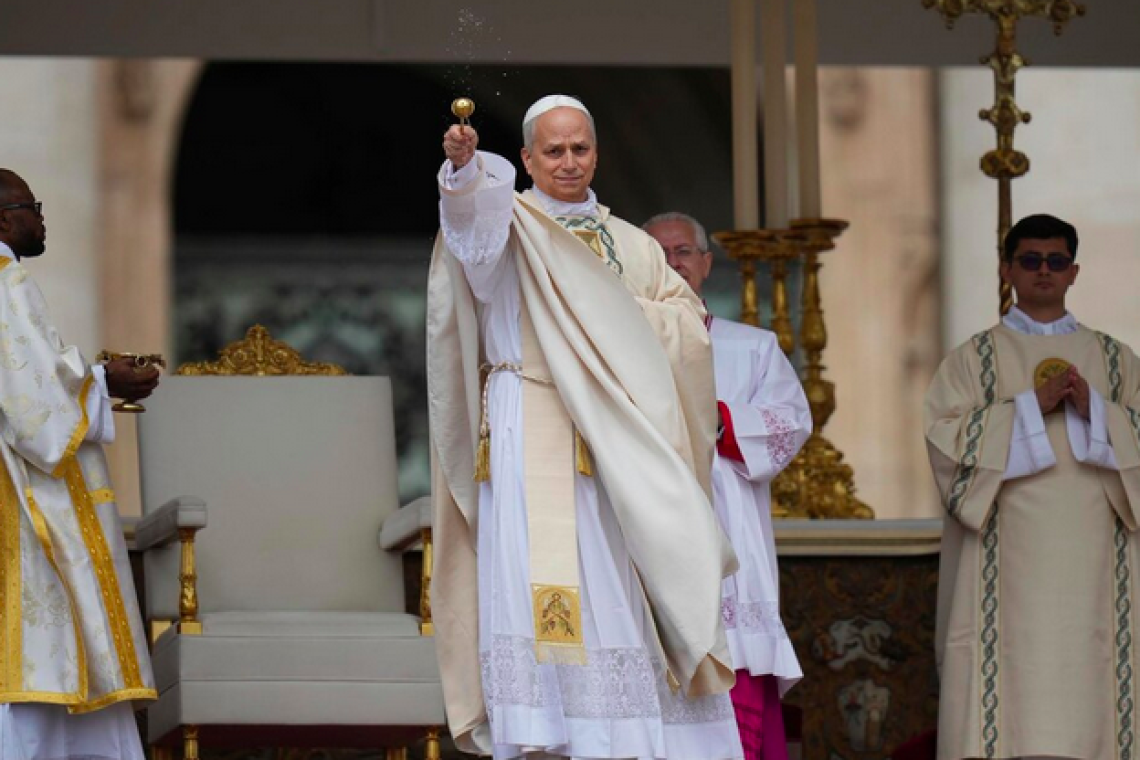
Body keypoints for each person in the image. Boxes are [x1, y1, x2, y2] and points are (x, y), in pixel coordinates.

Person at [428, 95, 742, 759]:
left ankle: (618, 735)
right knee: (539, 572)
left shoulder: (632, 244)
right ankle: (545, 733)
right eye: (553, 151)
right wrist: (460, 172)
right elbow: (468, 232)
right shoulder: (507, 222)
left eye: (579, 149)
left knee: (615, 571)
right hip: (531, 415)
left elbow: (689, 329)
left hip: (615, 434)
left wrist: (619, 319)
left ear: (596, 154)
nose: (568, 162)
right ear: (525, 159)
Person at [925, 214, 1140, 760]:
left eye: (1056, 261)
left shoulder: (1117, 362)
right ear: (1007, 269)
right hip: (1006, 556)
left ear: (1074, 272)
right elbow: (944, 441)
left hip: (1097, 556)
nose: (1044, 271)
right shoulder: (972, 360)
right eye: (1030, 260)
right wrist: (1031, 407)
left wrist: (1096, 409)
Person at [0, 169, 160, 760]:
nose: (40, 218)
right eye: (29, 206)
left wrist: (90, 379)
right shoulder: (6, 280)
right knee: (41, 649)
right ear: (0, 219)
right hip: (20, 497)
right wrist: (101, 380)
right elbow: (31, 410)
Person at [645, 212, 810, 760]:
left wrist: (716, 418)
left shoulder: (753, 347)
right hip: (647, 539)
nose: (673, 262)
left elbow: (790, 423)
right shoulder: (614, 349)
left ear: (707, 263)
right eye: (659, 252)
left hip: (729, 542)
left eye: (684, 251)